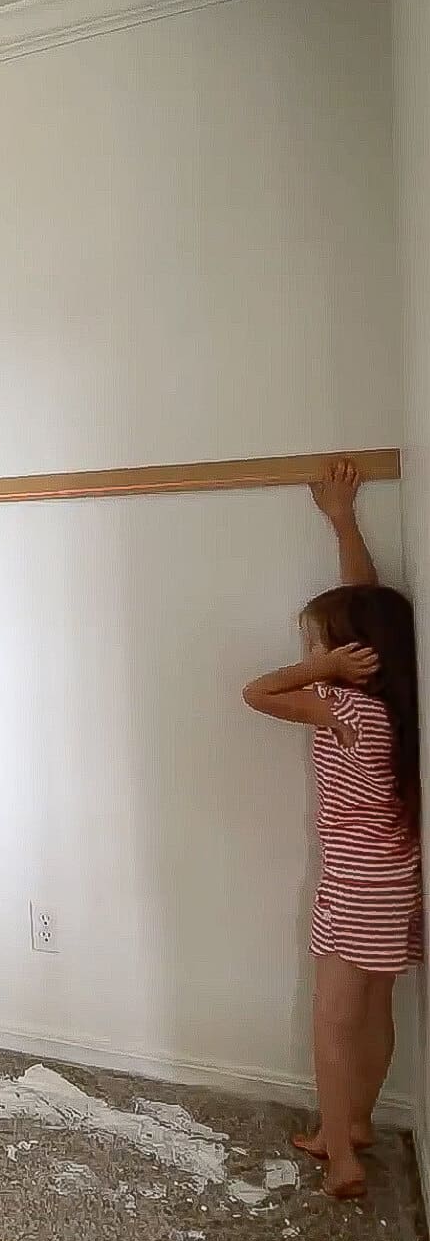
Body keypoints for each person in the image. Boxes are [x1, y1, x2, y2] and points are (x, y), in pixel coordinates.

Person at [243, 460, 423, 1198]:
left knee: (332, 1018)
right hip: (399, 877)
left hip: (353, 885)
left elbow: (255, 690)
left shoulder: (335, 706)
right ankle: (359, 1123)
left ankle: (336, 1149)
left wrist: (315, 663)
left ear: (345, 655)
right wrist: (344, 523)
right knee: (376, 1004)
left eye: (323, 640)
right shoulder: (395, 701)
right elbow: (371, 606)